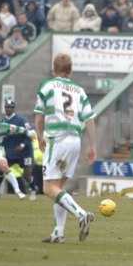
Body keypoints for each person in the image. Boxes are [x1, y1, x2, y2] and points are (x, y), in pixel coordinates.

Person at [34, 53, 97, 243]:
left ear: (54, 69)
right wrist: (92, 145)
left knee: (47, 188)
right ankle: (59, 232)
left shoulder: (47, 86)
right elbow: (89, 119)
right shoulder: (80, 90)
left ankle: (81, 214)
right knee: (59, 188)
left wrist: (39, 137)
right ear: (70, 70)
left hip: (57, 138)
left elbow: (39, 116)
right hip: (75, 140)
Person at [0, 100, 36, 200]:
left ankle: (33, 190)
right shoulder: (2, 123)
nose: (8, 109)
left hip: (25, 152)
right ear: (4, 108)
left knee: (27, 175)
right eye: (7, 107)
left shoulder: (21, 120)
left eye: (10, 107)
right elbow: (0, 137)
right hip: (11, 152)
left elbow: (30, 134)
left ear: (14, 108)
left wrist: (22, 145)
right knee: (1, 169)